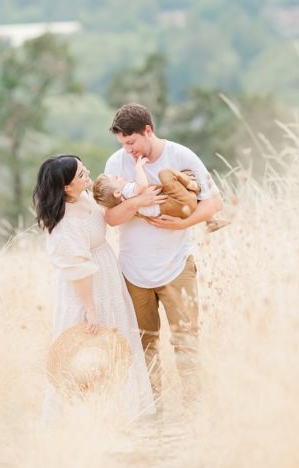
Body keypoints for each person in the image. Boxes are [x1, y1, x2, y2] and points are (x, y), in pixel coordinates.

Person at [103, 103, 223, 401]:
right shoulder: (115, 165)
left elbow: (213, 203)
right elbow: (110, 218)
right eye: (122, 143)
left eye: (131, 142)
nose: (128, 150)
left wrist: (181, 223)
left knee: (186, 340)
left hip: (177, 265)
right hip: (133, 270)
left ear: (148, 130)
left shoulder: (181, 155)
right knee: (145, 343)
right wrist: (137, 202)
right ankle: (152, 405)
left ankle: (193, 405)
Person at [33, 154, 156, 421]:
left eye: (83, 167)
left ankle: (123, 408)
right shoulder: (64, 224)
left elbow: (106, 217)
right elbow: (77, 269)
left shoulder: (83, 199)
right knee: (84, 347)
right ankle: (76, 415)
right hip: (86, 289)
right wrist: (90, 308)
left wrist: (135, 200)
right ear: (66, 187)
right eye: (80, 174)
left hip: (105, 275)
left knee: (116, 341)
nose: (87, 172)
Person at [92, 155, 202, 219]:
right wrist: (138, 167)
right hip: (178, 202)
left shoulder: (126, 206)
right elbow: (142, 185)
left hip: (180, 212)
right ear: (117, 193)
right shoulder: (127, 191)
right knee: (165, 174)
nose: (120, 177)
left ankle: (193, 192)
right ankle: (192, 184)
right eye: (116, 178)